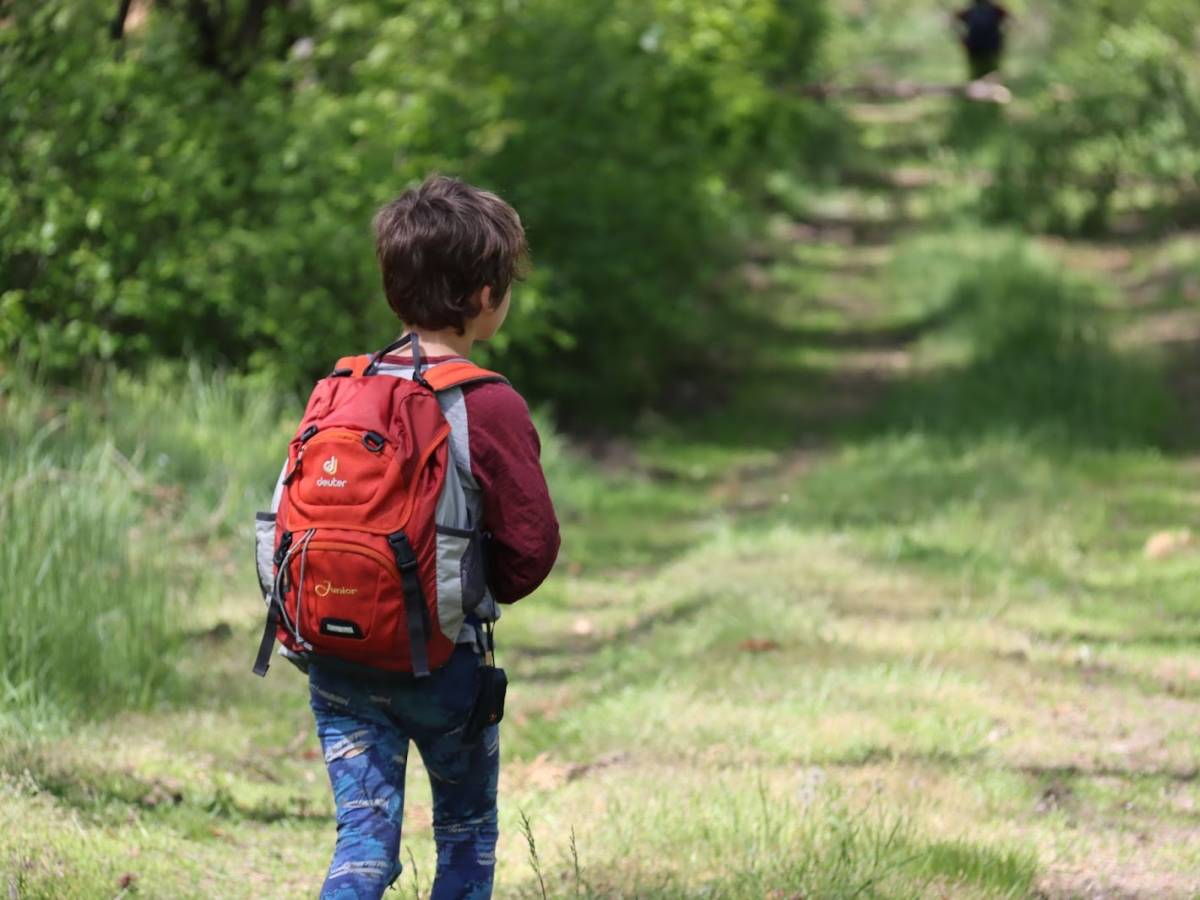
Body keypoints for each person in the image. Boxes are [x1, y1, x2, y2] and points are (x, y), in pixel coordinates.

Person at [305, 175, 560, 899]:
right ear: (487, 297)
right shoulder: (487, 401)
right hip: (443, 665)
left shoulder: (341, 388)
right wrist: (468, 588)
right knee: (466, 833)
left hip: (337, 659)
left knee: (362, 842)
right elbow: (531, 547)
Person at [957, 0, 1010, 81]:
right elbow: (1009, 20)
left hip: (976, 47)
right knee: (990, 70)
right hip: (989, 46)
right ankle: (985, 88)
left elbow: (955, 19)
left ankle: (983, 87)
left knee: (979, 72)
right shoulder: (996, 9)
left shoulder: (969, 11)